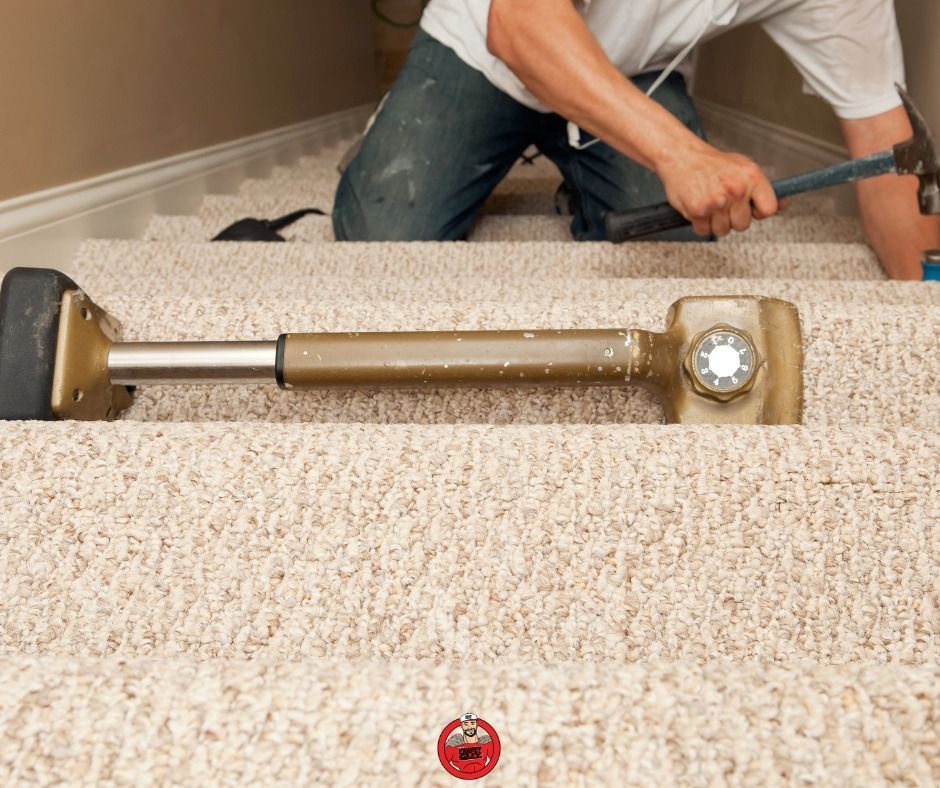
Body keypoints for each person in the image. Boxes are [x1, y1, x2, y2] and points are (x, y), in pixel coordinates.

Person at [333, 0, 940, 280]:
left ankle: (582, 165)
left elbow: (884, 137)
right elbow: (519, 22)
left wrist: (927, 305)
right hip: (486, 44)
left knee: (672, 249)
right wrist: (680, 154)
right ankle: (394, 124)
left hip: (628, 75)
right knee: (382, 241)